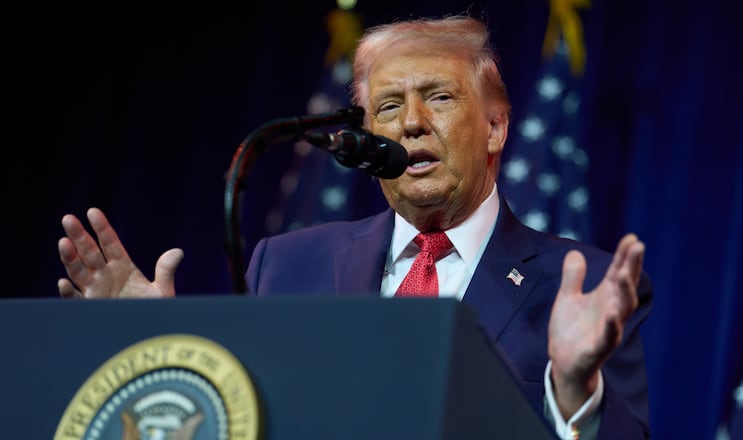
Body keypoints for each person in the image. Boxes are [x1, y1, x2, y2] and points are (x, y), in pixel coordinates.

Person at [57, 15, 652, 440]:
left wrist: (576, 391)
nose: (411, 123)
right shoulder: (287, 265)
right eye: (389, 107)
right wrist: (161, 353)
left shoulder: (584, 285)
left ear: (495, 128)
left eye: (439, 98)